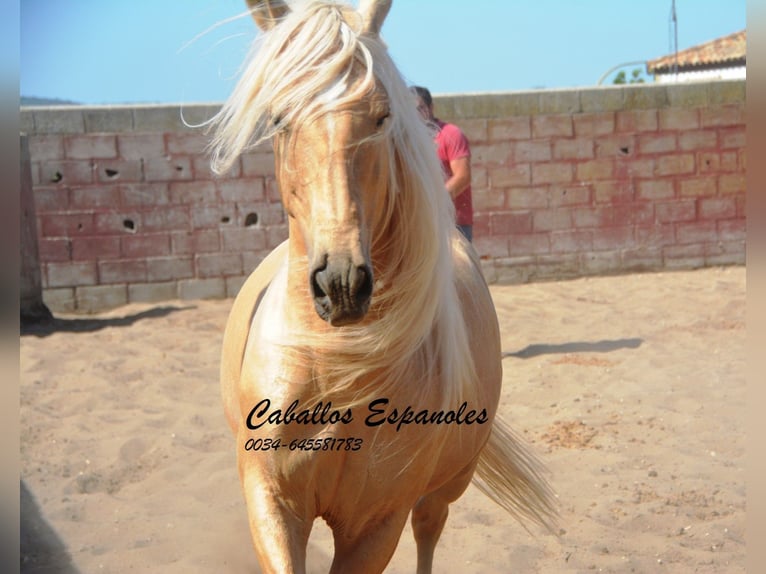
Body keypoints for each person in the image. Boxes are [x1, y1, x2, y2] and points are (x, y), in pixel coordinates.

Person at [410, 85, 474, 242]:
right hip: (422, 225)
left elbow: (463, 176)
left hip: (454, 223)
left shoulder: (450, 134)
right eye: (410, 111)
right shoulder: (408, 142)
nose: (416, 115)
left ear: (431, 108)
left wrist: (434, 200)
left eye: (420, 109)